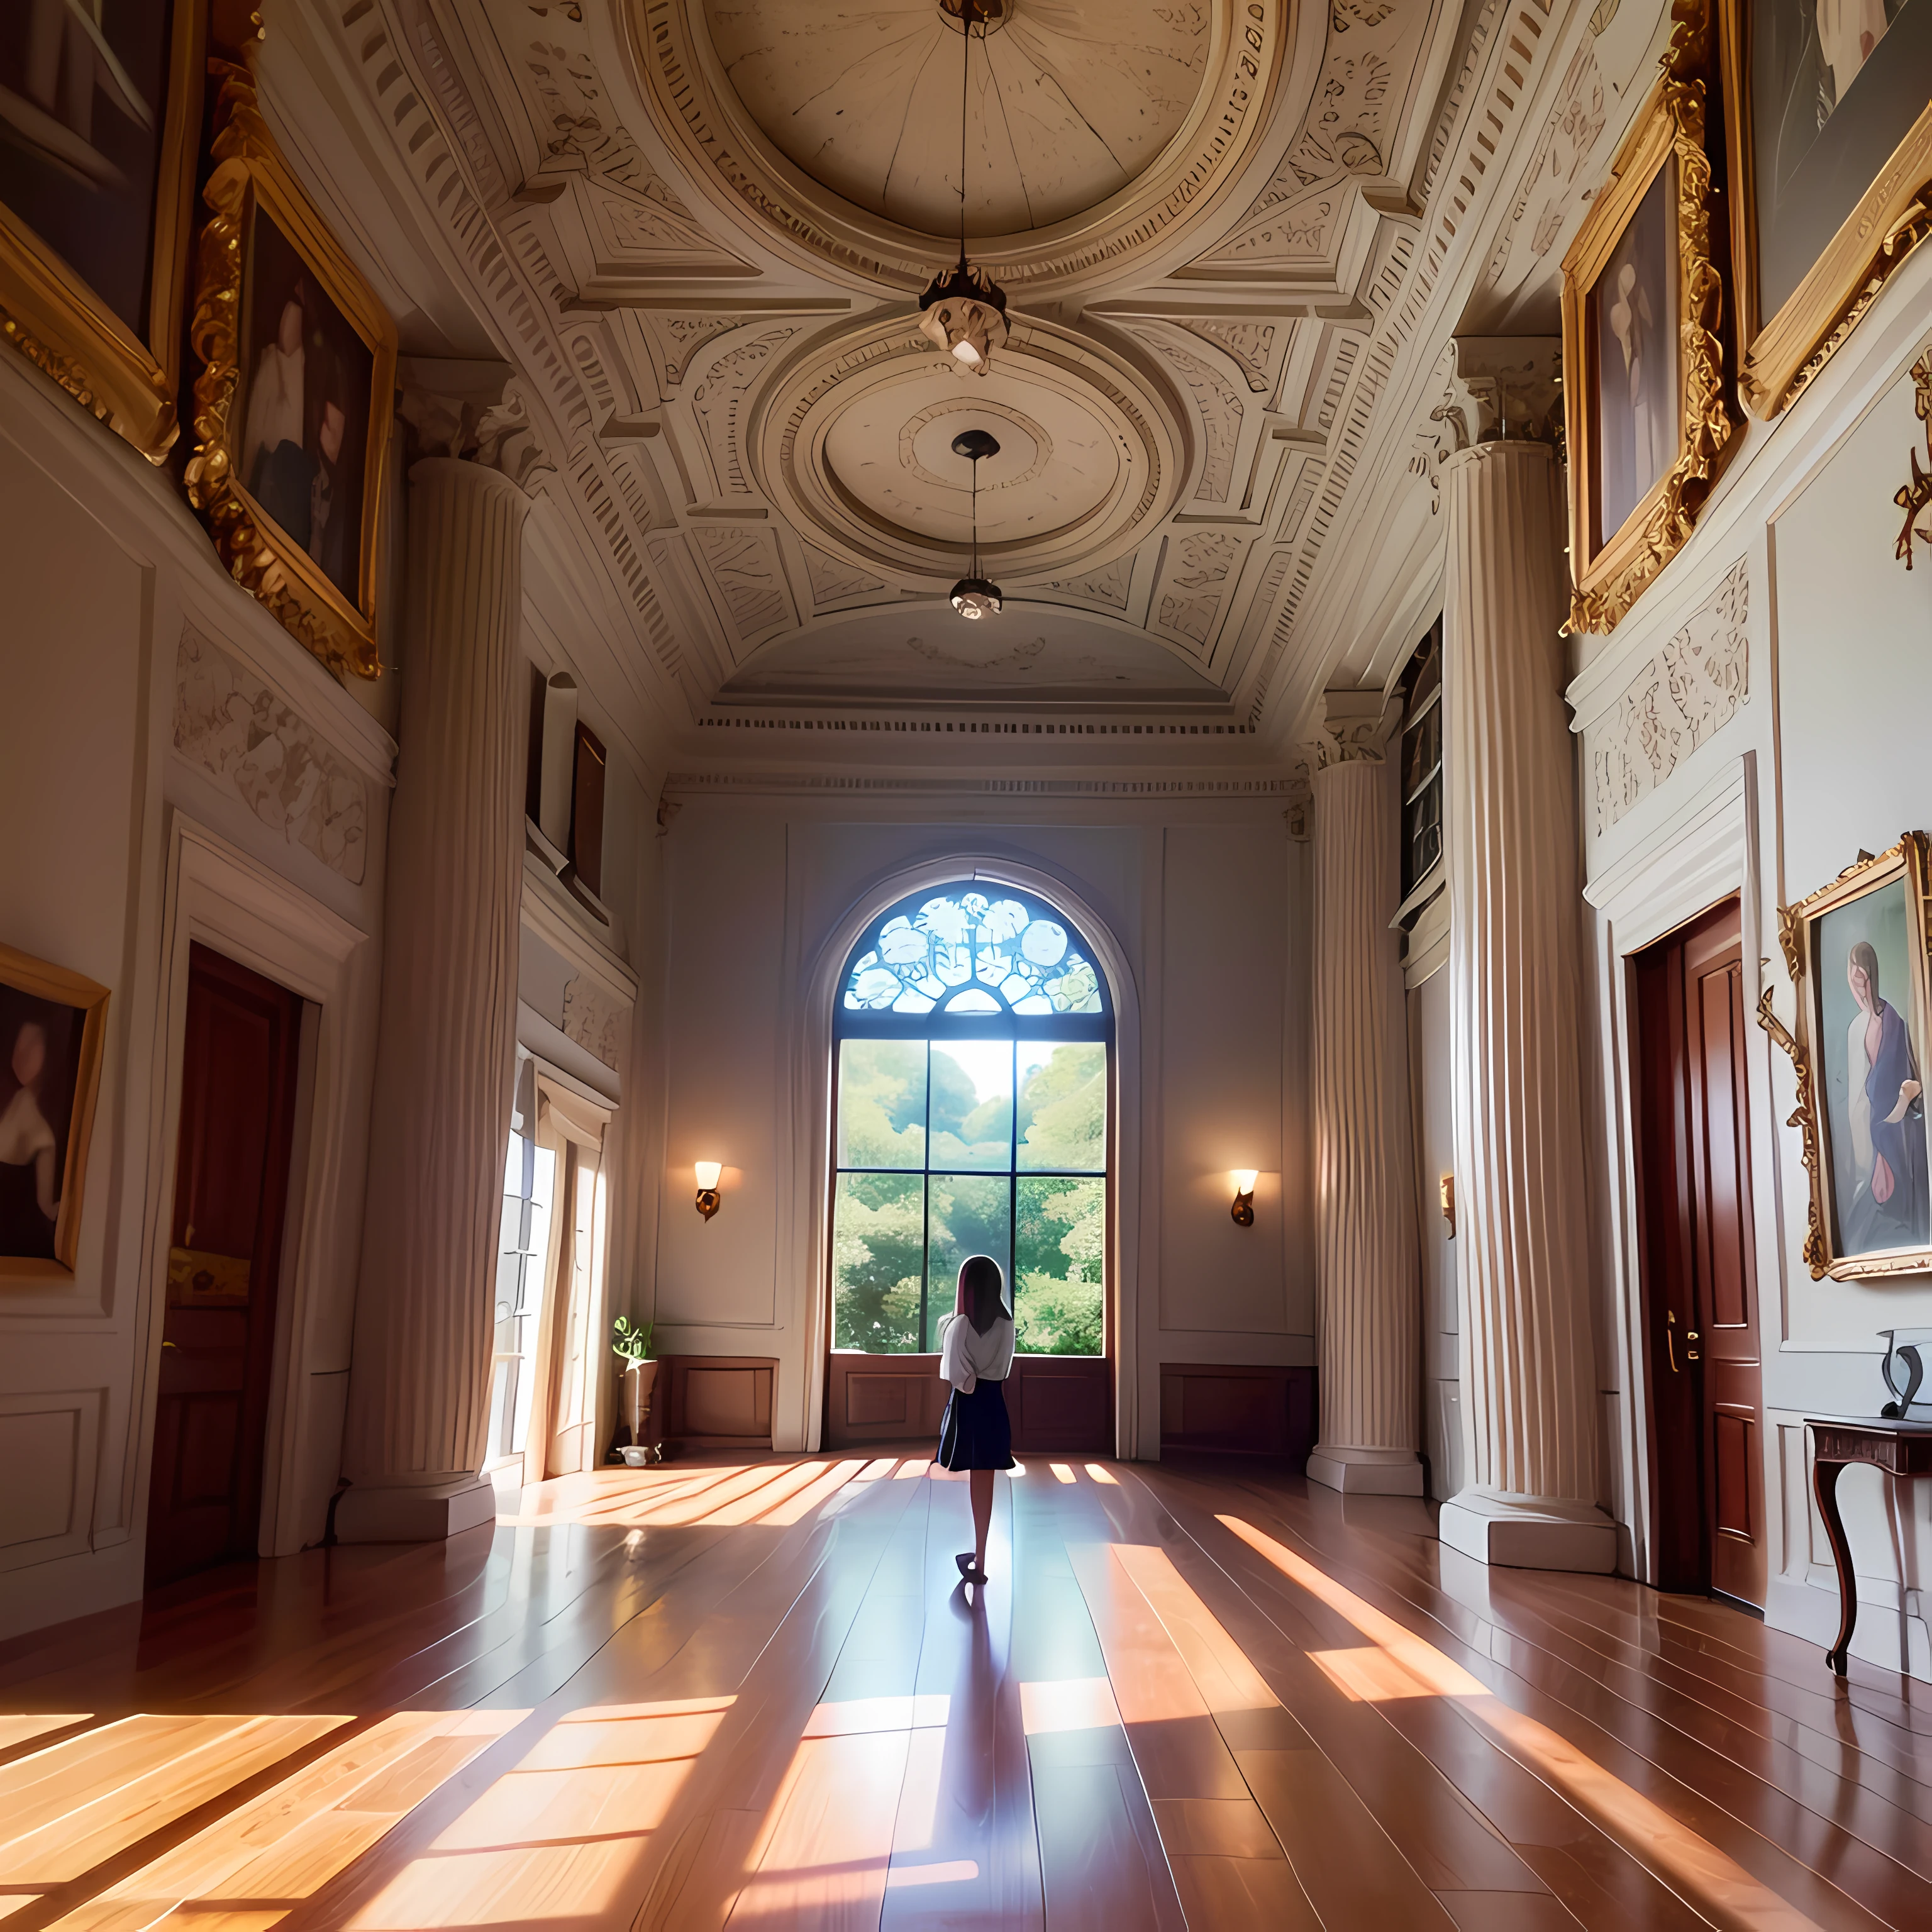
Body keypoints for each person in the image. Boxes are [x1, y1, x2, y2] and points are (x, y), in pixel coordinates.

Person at [936, 1253, 1014, 1583]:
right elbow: (1004, 1371)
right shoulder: (1007, 1323)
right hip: (994, 1403)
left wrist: (971, 1382)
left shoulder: (958, 1325)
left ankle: (978, 1557)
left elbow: (956, 1374)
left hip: (969, 1404)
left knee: (976, 1479)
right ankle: (980, 1558)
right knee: (986, 1480)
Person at [1844, 940, 1928, 1247]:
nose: (1857, 984)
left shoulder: (1868, 1026)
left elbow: (1862, 1102)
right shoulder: (1891, 1019)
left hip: (1886, 1130)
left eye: (1859, 976)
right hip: (1895, 1130)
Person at [0, 1020, 61, 1259]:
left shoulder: (43, 1134)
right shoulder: (13, 1099)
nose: (23, 1052)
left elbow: (47, 1207)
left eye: (34, 1045)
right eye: (21, 1043)